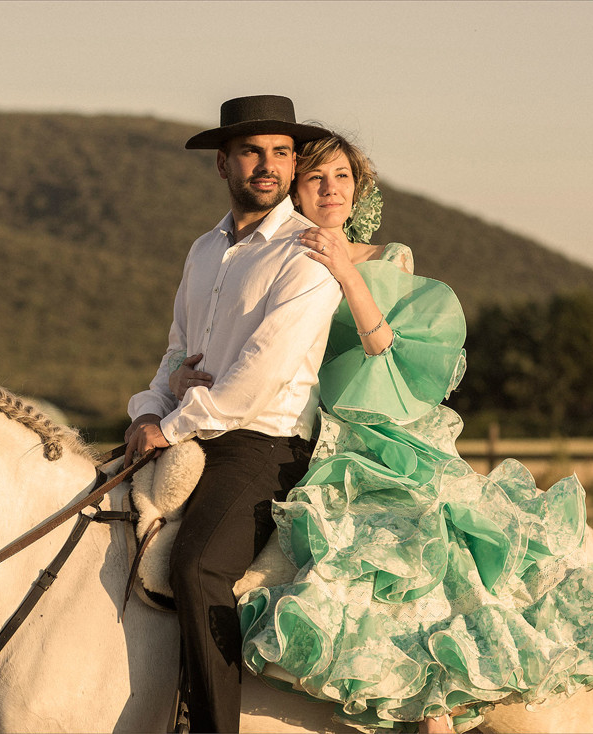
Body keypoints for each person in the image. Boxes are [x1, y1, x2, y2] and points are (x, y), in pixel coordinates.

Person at [171, 134, 593, 733]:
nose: (330, 188)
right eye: (316, 179)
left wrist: (345, 270)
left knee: (415, 552)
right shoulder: (281, 257)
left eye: (341, 177)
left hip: (382, 430)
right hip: (309, 427)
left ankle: (434, 709)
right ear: (296, 191)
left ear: (357, 190)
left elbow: (388, 350)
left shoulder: (388, 258)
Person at [124, 95, 343, 733]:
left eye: (281, 153)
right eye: (252, 152)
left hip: (263, 444)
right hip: (192, 426)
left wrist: (172, 424)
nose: (268, 166)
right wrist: (147, 411)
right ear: (224, 163)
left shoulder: (306, 255)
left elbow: (259, 376)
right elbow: (176, 351)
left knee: (198, 566)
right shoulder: (202, 251)